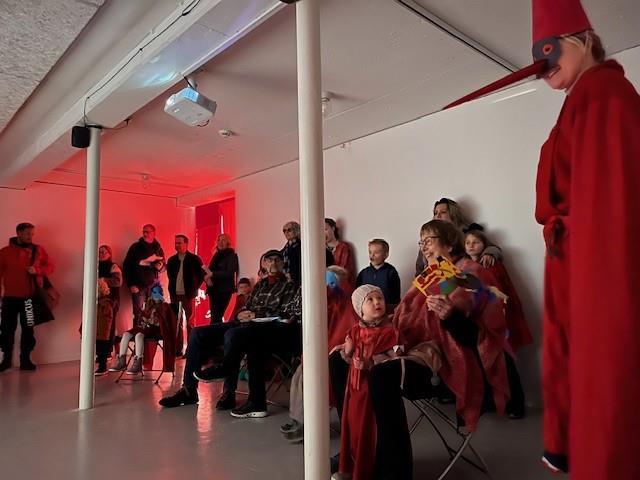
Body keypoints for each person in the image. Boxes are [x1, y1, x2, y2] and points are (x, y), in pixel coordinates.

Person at [447, 0, 640, 476]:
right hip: (572, 257)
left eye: (550, 51)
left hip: (594, 258)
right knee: (575, 364)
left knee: (602, 365)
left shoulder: (604, 94)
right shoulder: (583, 98)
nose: (543, 66)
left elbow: (612, 201)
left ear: (584, 41)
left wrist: (595, 277)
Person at [330, 220, 509, 479]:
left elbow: (484, 337)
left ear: (449, 244)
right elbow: (400, 320)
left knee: (382, 375)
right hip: (407, 348)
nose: (423, 247)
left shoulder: (472, 274)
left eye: (429, 240)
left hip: (446, 363)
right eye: (421, 241)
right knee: (339, 361)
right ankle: (357, 449)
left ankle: (395, 470)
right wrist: (360, 337)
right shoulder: (428, 276)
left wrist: (451, 317)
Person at [158, 249, 295, 411]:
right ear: (264, 264)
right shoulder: (260, 285)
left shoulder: (289, 285)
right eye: (269, 260)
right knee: (197, 333)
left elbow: (286, 313)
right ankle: (189, 390)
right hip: (243, 323)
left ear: (283, 263)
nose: (273, 264)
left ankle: (228, 391)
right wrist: (241, 314)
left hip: (263, 329)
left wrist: (256, 314)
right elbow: (246, 307)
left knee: (233, 335)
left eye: (277, 260)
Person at [332, 285, 400, 480]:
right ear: (359, 308)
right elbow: (348, 356)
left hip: (372, 389)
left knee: (367, 429)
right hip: (354, 388)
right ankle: (350, 466)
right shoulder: (354, 331)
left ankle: (365, 470)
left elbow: (395, 358)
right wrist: (347, 351)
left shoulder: (389, 332)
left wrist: (371, 363)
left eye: (380, 298)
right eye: (370, 300)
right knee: (352, 426)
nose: (377, 302)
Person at [464, 224, 531, 419]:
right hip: (478, 321)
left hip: (497, 321)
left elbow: (499, 293)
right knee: (483, 362)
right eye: (467, 243)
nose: (471, 246)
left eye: (475, 242)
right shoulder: (464, 266)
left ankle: (516, 405)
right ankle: (492, 402)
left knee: (505, 361)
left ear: (484, 244)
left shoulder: (491, 263)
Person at [0, 223, 54, 371]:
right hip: (9, 298)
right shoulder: (5, 252)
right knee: (6, 329)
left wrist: (37, 270)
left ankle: (25, 360)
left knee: (28, 329)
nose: (30, 236)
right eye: (27, 233)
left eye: (32, 234)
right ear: (18, 233)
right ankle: (6, 360)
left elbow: (50, 267)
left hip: (29, 298)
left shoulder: (38, 250)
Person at [415, 198, 502, 275]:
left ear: (453, 214)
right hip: (435, 279)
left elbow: (493, 248)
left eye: (443, 212)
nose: (438, 216)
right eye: (435, 213)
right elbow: (419, 271)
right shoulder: (426, 242)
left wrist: (488, 254)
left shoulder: (469, 233)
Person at [110, 284, 177, 375]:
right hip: (145, 327)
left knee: (139, 336)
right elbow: (145, 317)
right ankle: (121, 362)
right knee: (126, 334)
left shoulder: (164, 306)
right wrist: (144, 317)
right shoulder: (149, 305)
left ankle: (138, 362)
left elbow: (164, 322)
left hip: (155, 329)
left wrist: (152, 320)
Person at [166, 235, 204, 355]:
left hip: (189, 295)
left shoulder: (194, 259)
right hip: (175, 295)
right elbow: (170, 276)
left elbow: (201, 275)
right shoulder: (171, 260)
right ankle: (178, 349)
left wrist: (194, 287)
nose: (177, 245)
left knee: (190, 322)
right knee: (176, 322)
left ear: (186, 244)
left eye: (179, 243)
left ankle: (190, 349)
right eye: (175, 243)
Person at [122, 224, 165, 321]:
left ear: (154, 233)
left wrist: (160, 267)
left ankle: (151, 331)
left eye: (148, 232)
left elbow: (164, 266)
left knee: (155, 313)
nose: (145, 234)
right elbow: (127, 266)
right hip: (138, 286)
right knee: (139, 314)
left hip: (154, 286)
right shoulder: (135, 248)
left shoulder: (158, 249)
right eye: (144, 232)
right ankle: (138, 330)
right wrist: (131, 284)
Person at [281, 220, 334, 287]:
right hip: (289, 284)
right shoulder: (285, 250)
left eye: (289, 230)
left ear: (297, 230)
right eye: (284, 231)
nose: (286, 233)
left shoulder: (307, 244)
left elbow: (328, 258)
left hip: (306, 282)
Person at [355, 239, 401, 311]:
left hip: (386, 311)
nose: (372, 255)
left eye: (376, 253)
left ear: (386, 255)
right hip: (367, 312)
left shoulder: (391, 272)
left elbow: (396, 297)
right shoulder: (363, 273)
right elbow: (358, 295)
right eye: (370, 252)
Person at [204, 233, 239, 324]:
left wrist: (212, 274)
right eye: (219, 240)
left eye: (223, 240)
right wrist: (207, 278)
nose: (220, 242)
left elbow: (229, 273)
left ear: (228, 242)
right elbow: (210, 270)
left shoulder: (231, 255)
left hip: (224, 290)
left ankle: (216, 332)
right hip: (213, 289)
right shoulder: (216, 255)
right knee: (214, 317)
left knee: (217, 316)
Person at [98, 245, 122, 354]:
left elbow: (118, 282)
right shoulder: (94, 265)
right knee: (99, 325)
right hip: (99, 299)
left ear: (109, 254)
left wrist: (103, 280)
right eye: (100, 252)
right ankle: (99, 351)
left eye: (104, 252)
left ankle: (108, 351)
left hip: (112, 299)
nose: (102, 254)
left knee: (109, 326)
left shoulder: (113, 266)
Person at [325, 218, 356, 286]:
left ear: (333, 228)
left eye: (325, 229)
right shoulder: (320, 248)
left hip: (340, 285)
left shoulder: (344, 247)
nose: (323, 233)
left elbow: (344, 271)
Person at [94, 278, 115, 376]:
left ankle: (102, 367)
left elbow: (106, 319)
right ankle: (101, 366)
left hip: (102, 332)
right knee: (99, 350)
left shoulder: (105, 303)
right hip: (99, 331)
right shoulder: (100, 303)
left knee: (102, 350)